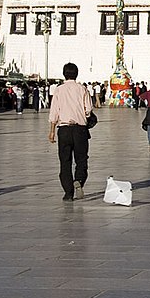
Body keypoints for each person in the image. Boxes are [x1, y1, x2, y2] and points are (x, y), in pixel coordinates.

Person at [48, 63, 93, 201]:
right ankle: (79, 179)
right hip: (80, 129)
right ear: (76, 74)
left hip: (64, 129)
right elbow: (88, 110)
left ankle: (68, 192)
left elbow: (54, 111)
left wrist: (51, 132)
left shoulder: (59, 90)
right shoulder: (82, 89)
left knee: (65, 161)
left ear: (64, 74)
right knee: (81, 158)